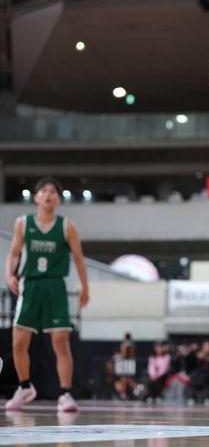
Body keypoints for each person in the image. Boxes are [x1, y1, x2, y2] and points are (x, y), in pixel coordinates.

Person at [4, 177, 90, 412]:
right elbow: (14, 253)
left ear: (58, 199)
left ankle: (65, 394)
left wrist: (85, 287)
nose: (48, 194)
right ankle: (24, 387)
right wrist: (9, 274)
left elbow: (79, 259)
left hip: (55, 286)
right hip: (30, 285)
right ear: (36, 197)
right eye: (43, 190)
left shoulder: (67, 226)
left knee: (61, 343)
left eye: (53, 191)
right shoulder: (23, 223)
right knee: (18, 342)